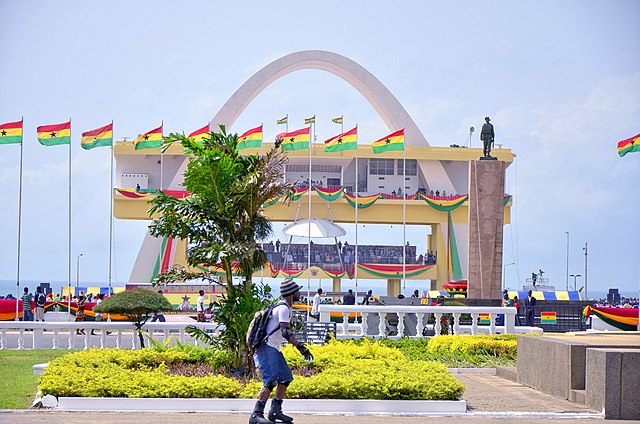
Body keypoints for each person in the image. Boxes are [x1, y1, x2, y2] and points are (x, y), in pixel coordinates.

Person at [250, 279, 313, 424]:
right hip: (266, 348)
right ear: (291, 293)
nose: (299, 293)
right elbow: (285, 331)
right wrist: (301, 347)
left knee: (285, 377)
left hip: (274, 348)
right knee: (270, 380)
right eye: (297, 291)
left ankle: (275, 411)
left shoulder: (284, 307)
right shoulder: (283, 308)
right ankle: (256, 415)